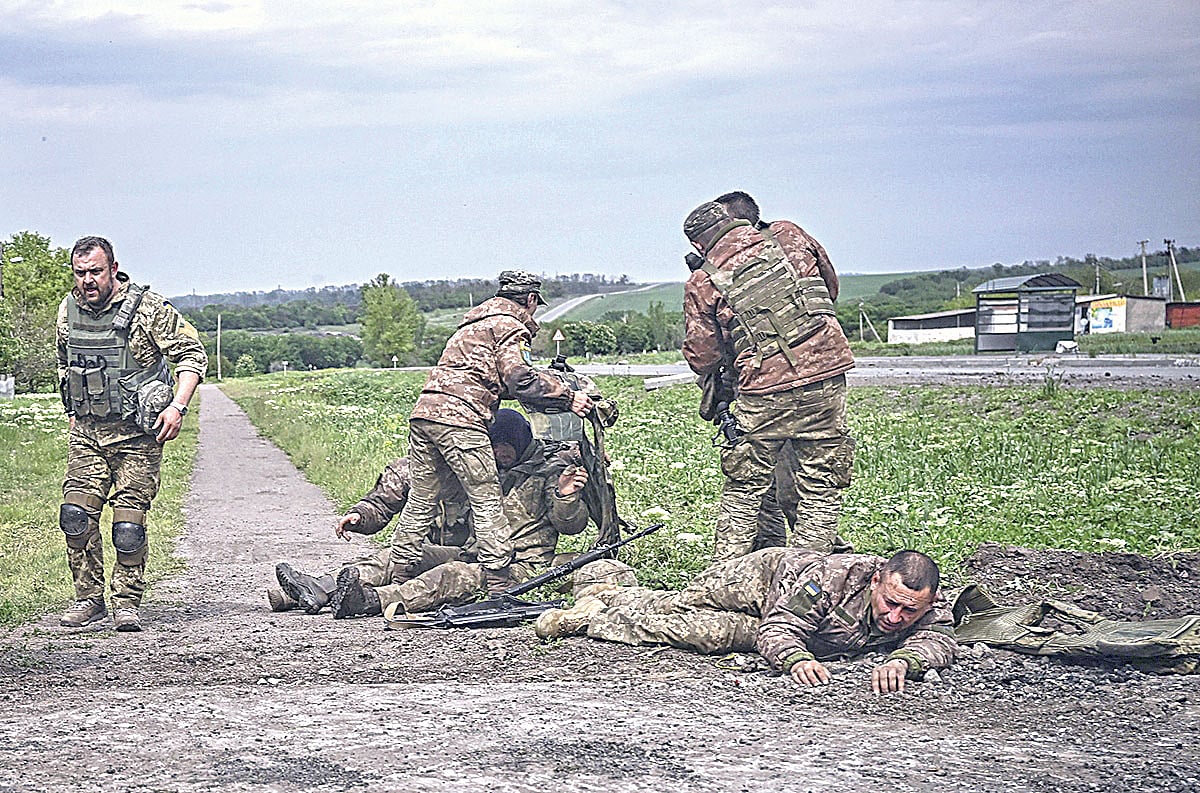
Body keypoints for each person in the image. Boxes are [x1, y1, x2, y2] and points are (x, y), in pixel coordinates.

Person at [384, 270, 594, 595]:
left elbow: (488, 378)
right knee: (485, 497)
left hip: (425, 411)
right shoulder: (511, 326)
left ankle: (399, 574)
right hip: (461, 418)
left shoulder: (471, 325)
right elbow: (520, 379)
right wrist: (569, 396)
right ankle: (498, 583)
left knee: (421, 499)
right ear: (530, 300)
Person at [682, 200, 855, 561]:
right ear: (732, 221)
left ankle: (723, 579)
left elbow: (704, 357)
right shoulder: (788, 234)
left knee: (745, 486)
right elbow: (829, 288)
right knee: (821, 486)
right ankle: (806, 578)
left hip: (764, 388)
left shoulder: (702, 280)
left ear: (699, 245)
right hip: (827, 372)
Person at [539, 549, 955, 694]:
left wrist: (906, 661)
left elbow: (940, 638)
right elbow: (780, 628)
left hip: (769, 619)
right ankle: (601, 603)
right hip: (761, 580)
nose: (895, 617)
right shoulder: (835, 578)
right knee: (681, 608)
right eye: (889, 603)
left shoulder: (926, 602)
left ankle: (596, 612)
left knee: (702, 633)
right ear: (877, 578)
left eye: (909, 613)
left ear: (929, 600)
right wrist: (794, 659)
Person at [55, 236, 207, 631]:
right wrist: (72, 411)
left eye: (95, 271)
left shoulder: (146, 308)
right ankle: (89, 600)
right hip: (88, 433)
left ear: (113, 267)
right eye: (80, 272)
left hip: (138, 437)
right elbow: (64, 362)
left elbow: (191, 354)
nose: (88, 280)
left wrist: (178, 405)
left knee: (127, 524)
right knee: (75, 515)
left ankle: (127, 602)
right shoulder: (67, 311)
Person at [325, 410, 600, 619]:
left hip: (518, 565)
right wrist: (362, 515)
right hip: (472, 552)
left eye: (506, 446)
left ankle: (371, 600)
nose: (498, 453)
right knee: (401, 555)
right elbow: (401, 485)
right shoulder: (482, 469)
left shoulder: (549, 471)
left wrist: (566, 495)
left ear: (522, 442)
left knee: (452, 575)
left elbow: (571, 525)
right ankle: (320, 588)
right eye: (493, 446)